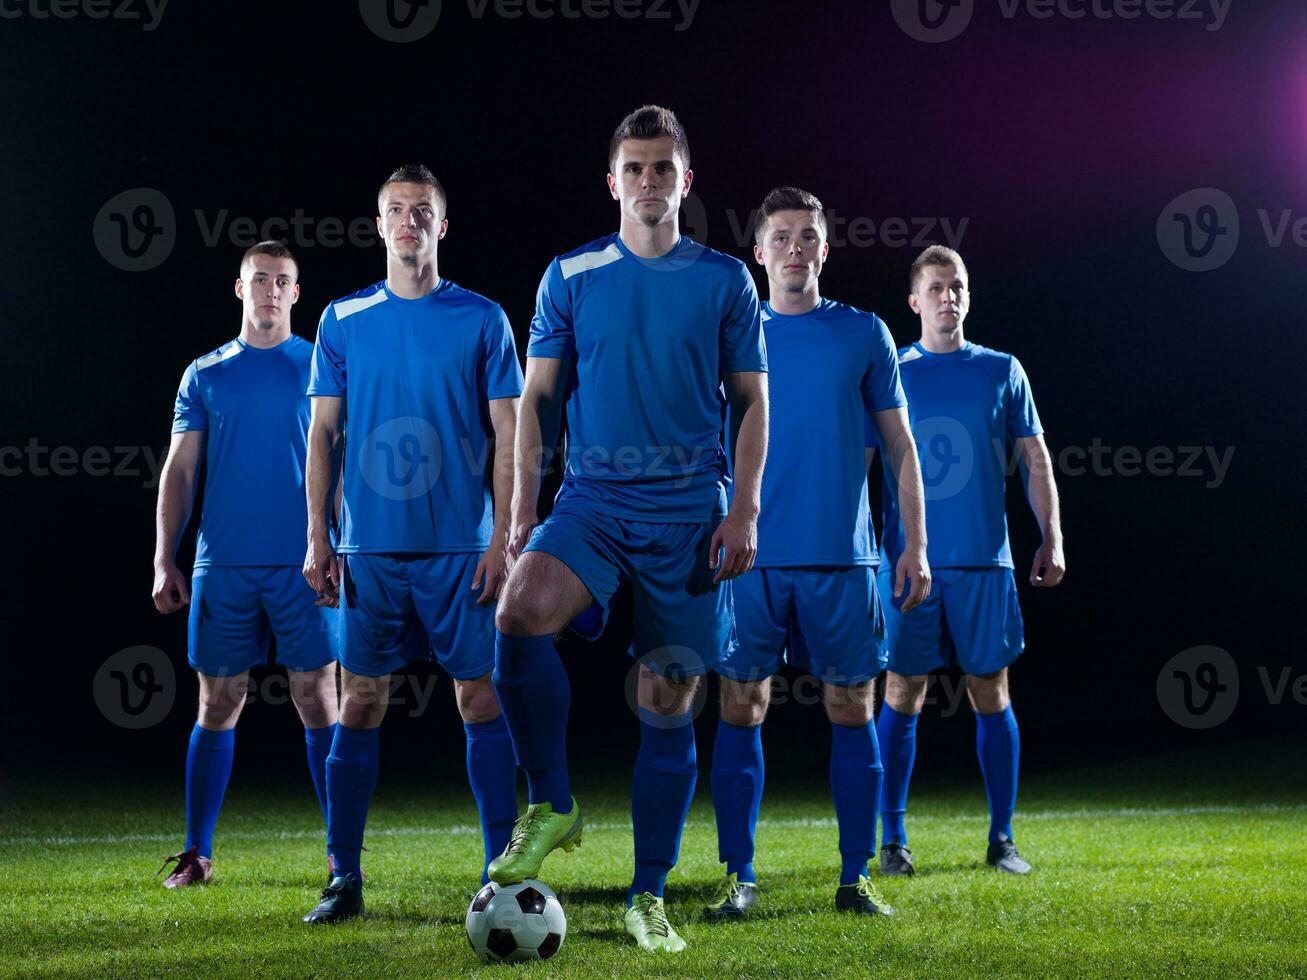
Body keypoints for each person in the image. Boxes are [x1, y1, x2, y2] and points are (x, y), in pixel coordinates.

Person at [488, 105, 768, 952]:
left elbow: (753, 403)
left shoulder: (725, 280)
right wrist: (520, 508)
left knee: (668, 705)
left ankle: (648, 895)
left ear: (687, 180)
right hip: (593, 505)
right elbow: (535, 399)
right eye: (635, 168)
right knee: (515, 613)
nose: (649, 181)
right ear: (612, 182)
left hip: (689, 516)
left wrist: (743, 507)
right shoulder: (568, 274)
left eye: (663, 168)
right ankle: (554, 801)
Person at [300, 165, 523, 923]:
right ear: (378, 225)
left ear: (441, 226)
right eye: (394, 209)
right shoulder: (341, 318)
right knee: (359, 703)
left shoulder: (483, 318)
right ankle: (343, 878)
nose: (407, 220)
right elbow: (322, 435)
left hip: (463, 549)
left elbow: (510, 435)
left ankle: (501, 874)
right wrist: (317, 538)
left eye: (421, 210)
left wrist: (506, 537)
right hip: (367, 552)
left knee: (479, 698)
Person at [705, 187, 929, 921]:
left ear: (824, 249)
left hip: (842, 555)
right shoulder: (731, 335)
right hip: (750, 558)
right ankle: (738, 876)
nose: (794, 248)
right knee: (740, 706)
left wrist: (914, 544)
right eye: (781, 237)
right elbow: (704, 446)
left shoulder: (862, 333)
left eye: (807, 236)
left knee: (849, 707)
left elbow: (899, 446)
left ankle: (853, 876)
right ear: (759, 251)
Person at [152, 242, 339, 888]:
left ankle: (341, 856)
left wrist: (342, 545)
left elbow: (339, 467)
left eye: (281, 281)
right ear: (239, 288)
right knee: (218, 700)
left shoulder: (321, 364)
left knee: (318, 698)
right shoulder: (204, 373)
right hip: (222, 563)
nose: (269, 291)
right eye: (258, 280)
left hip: (305, 564)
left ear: (296, 292)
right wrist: (162, 559)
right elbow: (179, 471)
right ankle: (197, 853)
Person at [876, 246, 1066, 878]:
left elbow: (1035, 460)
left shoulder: (1002, 370)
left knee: (991, 691)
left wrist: (1052, 537)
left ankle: (1002, 839)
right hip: (907, 562)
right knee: (902, 693)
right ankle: (894, 841)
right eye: (935, 288)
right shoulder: (890, 372)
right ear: (914, 301)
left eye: (956, 286)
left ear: (968, 295)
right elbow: (855, 459)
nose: (947, 297)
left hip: (986, 562)